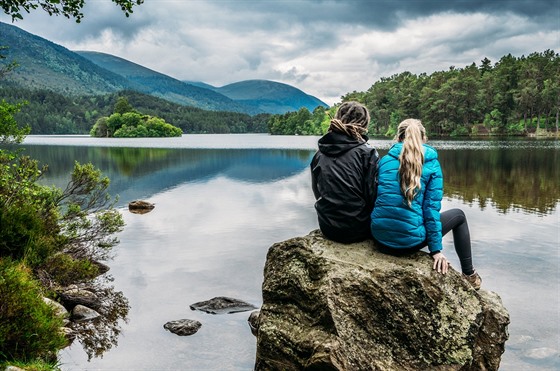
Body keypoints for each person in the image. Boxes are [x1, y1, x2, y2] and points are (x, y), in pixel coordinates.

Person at [370, 118, 481, 289]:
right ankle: (469, 275)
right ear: (424, 138)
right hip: (408, 244)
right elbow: (430, 210)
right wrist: (436, 251)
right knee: (459, 215)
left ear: (398, 138)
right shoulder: (432, 164)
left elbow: (378, 198)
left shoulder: (384, 161)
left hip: (380, 239)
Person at [311, 101, 379, 243]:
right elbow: (372, 196)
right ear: (364, 124)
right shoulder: (367, 153)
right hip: (359, 229)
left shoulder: (319, 154)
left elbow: (317, 192)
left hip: (327, 227)